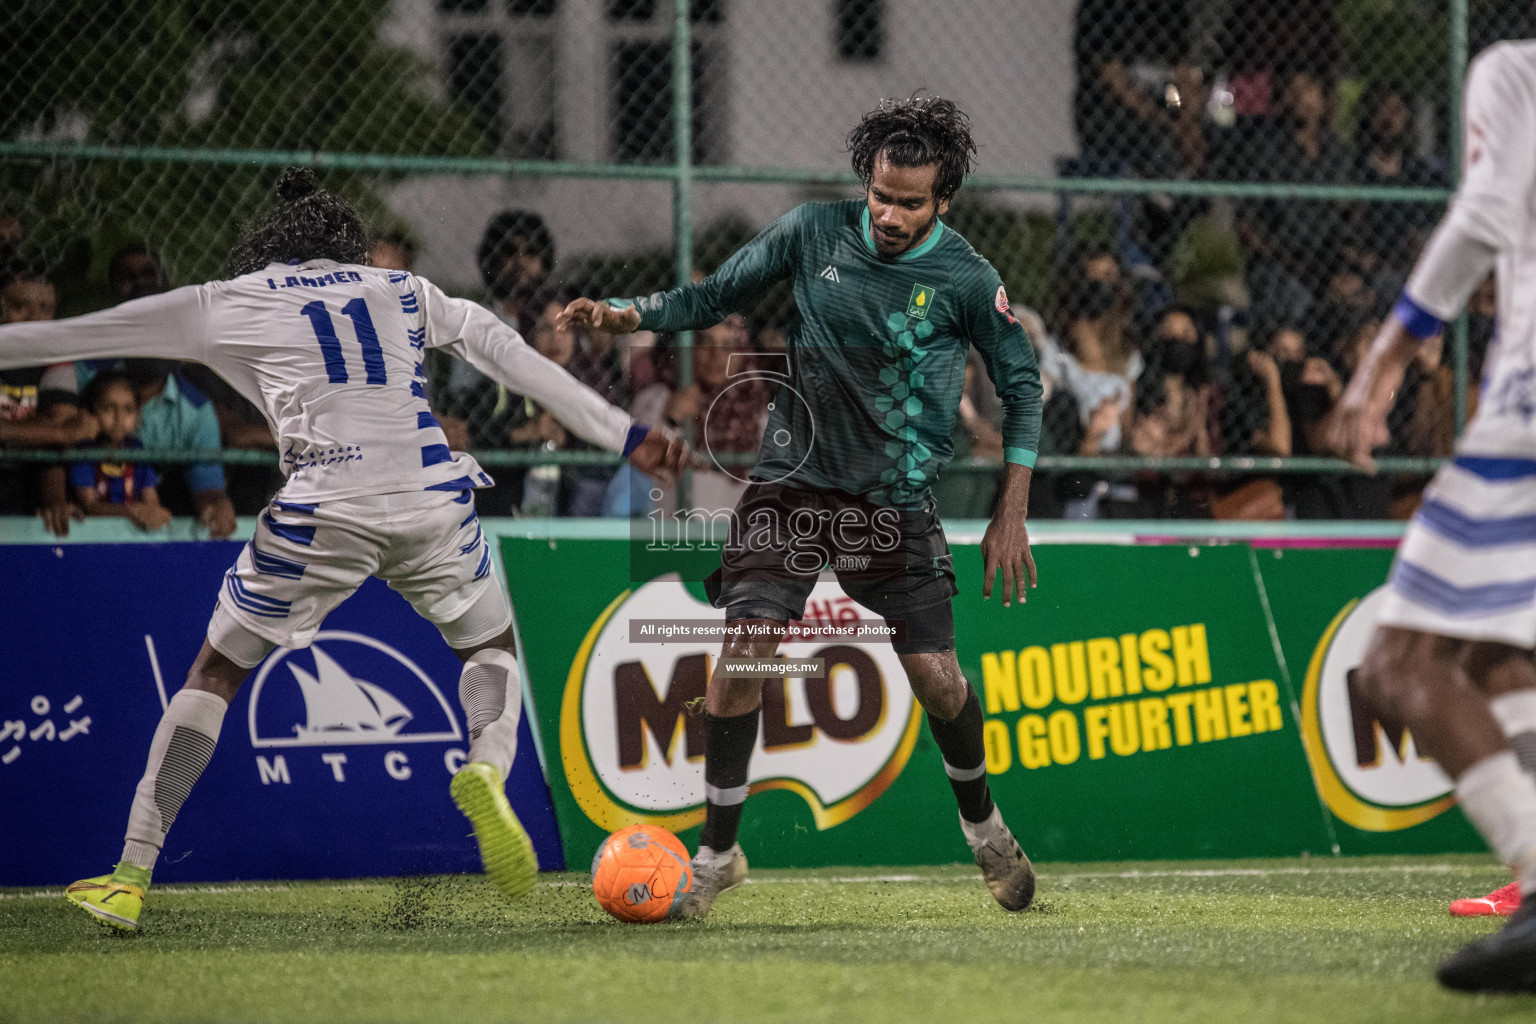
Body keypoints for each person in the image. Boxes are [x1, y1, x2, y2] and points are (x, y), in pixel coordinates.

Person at [0, 169, 694, 933]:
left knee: (217, 671)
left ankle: (130, 873)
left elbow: (74, 335)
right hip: (434, 495)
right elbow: (508, 352)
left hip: (324, 503)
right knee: (489, 646)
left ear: (273, 242)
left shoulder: (230, 299)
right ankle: (486, 769)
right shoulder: (403, 290)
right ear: (351, 247)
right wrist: (624, 434)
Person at [560, 95, 1043, 919]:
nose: (889, 215)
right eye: (880, 195)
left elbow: (1023, 387)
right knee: (743, 651)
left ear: (943, 200)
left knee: (938, 680)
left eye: (910, 202)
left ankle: (985, 827)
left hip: (892, 502)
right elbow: (713, 296)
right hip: (791, 486)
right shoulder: (812, 231)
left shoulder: (967, 278)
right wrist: (625, 315)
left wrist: (1011, 511)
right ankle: (716, 856)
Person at [1330, 38, 1536, 993]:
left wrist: (1385, 358)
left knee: (1398, 663)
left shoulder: (1515, 69)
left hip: (1526, 417)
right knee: (1500, 660)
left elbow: (1490, 207)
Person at [0, 257, 95, 534]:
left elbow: (60, 430)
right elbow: (62, 432)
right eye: (19, 307)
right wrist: (55, 432)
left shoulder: (55, 359)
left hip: (25, 481)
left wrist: (53, 498)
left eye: (45, 309)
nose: (33, 319)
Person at [69, 371, 171, 531]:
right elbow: (89, 506)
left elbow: (151, 499)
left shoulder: (137, 451)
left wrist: (153, 512)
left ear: (138, 414)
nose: (119, 418)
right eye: (109, 409)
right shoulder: (84, 451)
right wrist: (132, 511)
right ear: (91, 411)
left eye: (128, 410)